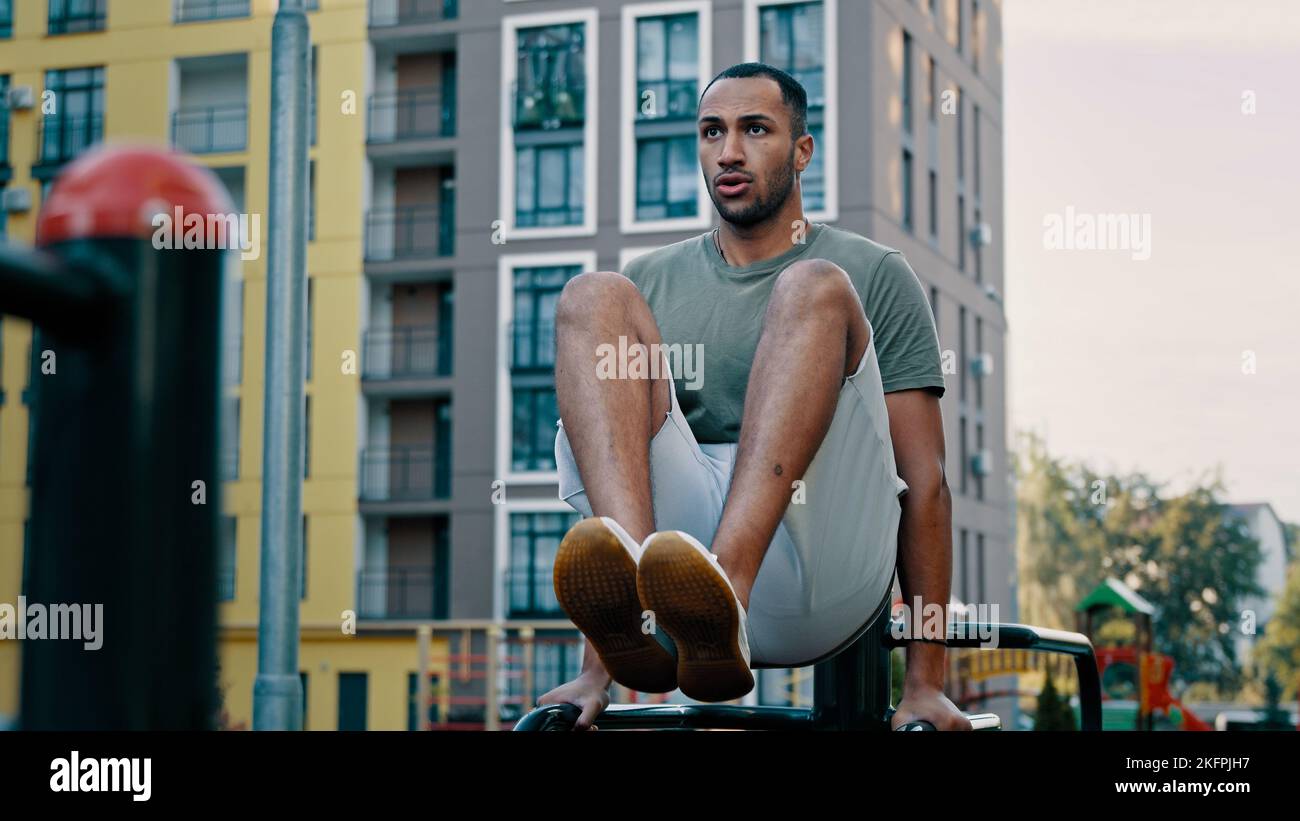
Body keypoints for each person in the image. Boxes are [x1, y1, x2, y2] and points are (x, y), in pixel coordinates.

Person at [536, 62, 971, 731]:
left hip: (824, 563)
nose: (729, 151)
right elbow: (614, 457)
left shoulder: (874, 273)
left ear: (802, 151)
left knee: (813, 286)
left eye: (755, 129)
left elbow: (927, 484)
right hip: (679, 580)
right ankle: (651, 608)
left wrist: (926, 681)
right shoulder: (650, 281)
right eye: (712, 132)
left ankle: (725, 594)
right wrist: (594, 676)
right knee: (592, 297)